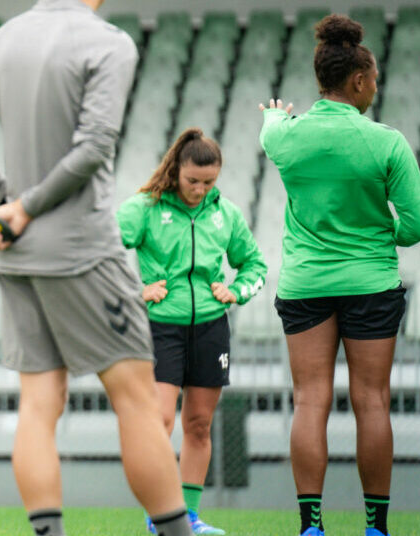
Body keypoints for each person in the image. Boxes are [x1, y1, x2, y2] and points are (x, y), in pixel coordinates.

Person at [0, 0, 195, 536]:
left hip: (18, 257)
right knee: (136, 398)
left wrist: (8, 200)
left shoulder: (2, 38)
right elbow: (96, 144)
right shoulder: (109, 43)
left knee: (37, 406)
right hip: (83, 250)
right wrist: (21, 204)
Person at [260, 14, 420, 536]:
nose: (375, 87)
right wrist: (384, 239)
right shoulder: (387, 142)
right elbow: (419, 224)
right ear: (358, 80)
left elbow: (271, 125)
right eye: (374, 79)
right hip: (370, 284)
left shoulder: (283, 137)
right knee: (371, 401)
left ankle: (312, 526)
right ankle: (375, 528)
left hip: (306, 284)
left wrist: (273, 117)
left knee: (310, 400)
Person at [116, 128, 268, 536]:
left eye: (209, 182)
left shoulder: (226, 214)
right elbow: (102, 250)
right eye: (192, 181)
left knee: (199, 424)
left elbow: (255, 266)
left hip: (210, 330)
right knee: (160, 421)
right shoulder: (144, 209)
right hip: (161, 329)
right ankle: (160, 516)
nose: (200, 190)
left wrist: (235, 290)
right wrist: (135, 291)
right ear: (175, 171)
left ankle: (190, 518)